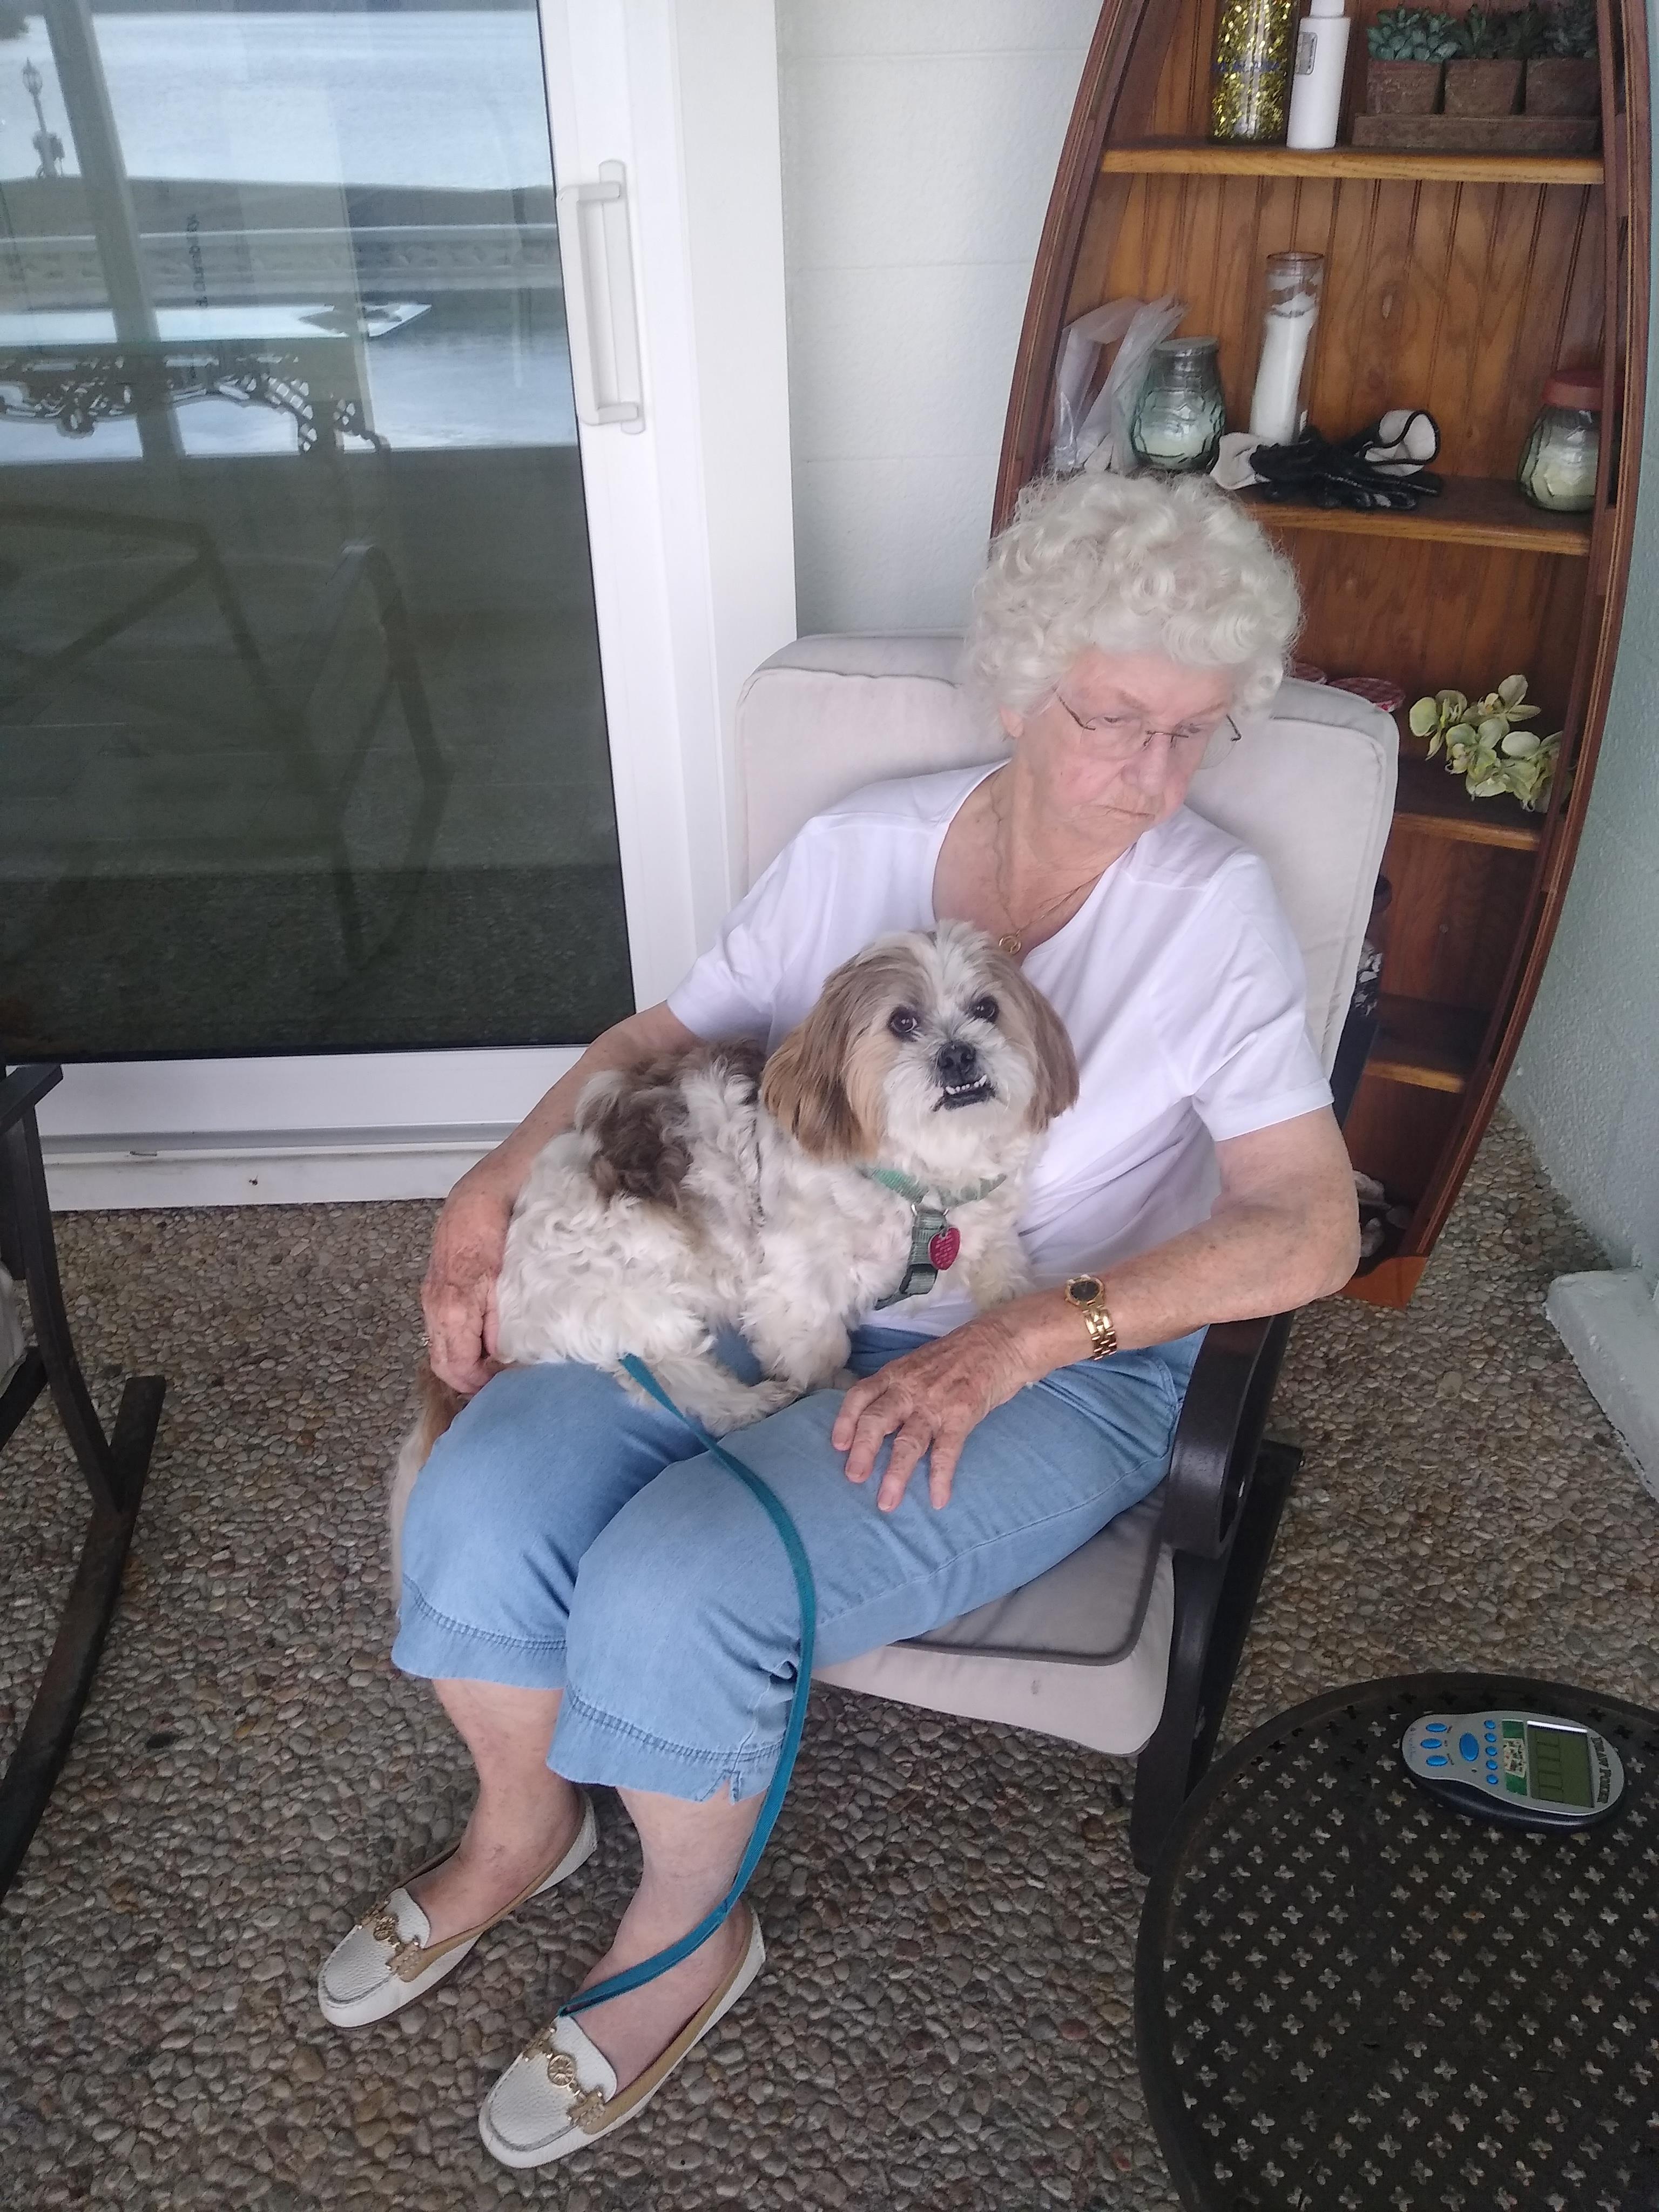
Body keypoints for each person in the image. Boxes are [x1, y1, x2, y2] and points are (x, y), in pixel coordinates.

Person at [318, 470, 1360, 2167]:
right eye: (1113, 720)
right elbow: (664, 1041)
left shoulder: (1211, 915)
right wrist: (489, 1187)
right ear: (1019, 690)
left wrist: (1026, 1336)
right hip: (780, 1269)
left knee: (681, 1582)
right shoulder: (862, 851)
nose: (1155, 775)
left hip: (1058, 1345)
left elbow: (1311, 1223)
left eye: (1196, 732)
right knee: (487, 1492)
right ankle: (523, 1827)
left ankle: (686, 1931)